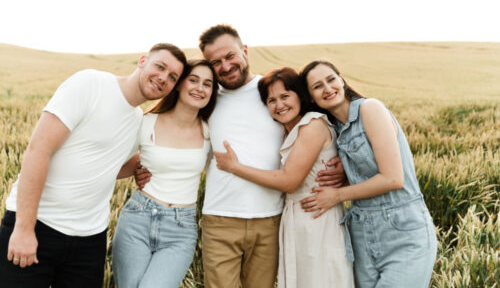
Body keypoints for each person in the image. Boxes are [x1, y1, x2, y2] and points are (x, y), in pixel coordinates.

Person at [136, 25, 345, 288]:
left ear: (244, 51)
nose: (225, 66)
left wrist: (343, 167)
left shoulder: (271, 91)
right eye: (216, 62)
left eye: (230, 56)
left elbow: (321, 123)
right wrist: (141, 167)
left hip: (270, 219)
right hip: (220, 219)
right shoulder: (206, 98)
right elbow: (173, 132)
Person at [0, 43, 187, 288]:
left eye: (172, 77)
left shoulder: (138, 121)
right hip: (38, 225)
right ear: (143, 61)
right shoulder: (91, 85)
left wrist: (143, 166)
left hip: (89, 241)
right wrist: (24, 228)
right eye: (160, 66)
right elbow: (38, 151)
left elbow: (110, 165)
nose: (163, 78)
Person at [299, 60, 438, 288]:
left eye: (331, 79)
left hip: (403, 231)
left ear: (341, 80)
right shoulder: (333, 130)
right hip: (362, 234)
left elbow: (393, 178)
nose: (327, 88)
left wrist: (336, 195)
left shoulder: (370, 108)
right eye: (317, 86)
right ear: (311, 98)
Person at [214, 67, 354, 288]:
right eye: (272, 100)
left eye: (285, 96)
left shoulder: (313, 124)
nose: (279, 105)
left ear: (300, 95)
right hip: (294, 220)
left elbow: (289, 181)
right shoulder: (288, 130)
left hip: (317, 218)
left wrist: (234, 167)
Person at [111, 59, 217, 288]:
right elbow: (112, 164)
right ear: (178, 84)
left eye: (207, 84)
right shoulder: (146, 123)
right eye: (194, 80)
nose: (200, 88)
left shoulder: (210, 131)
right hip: (138, 218)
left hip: (181, 228)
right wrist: (137, 168)